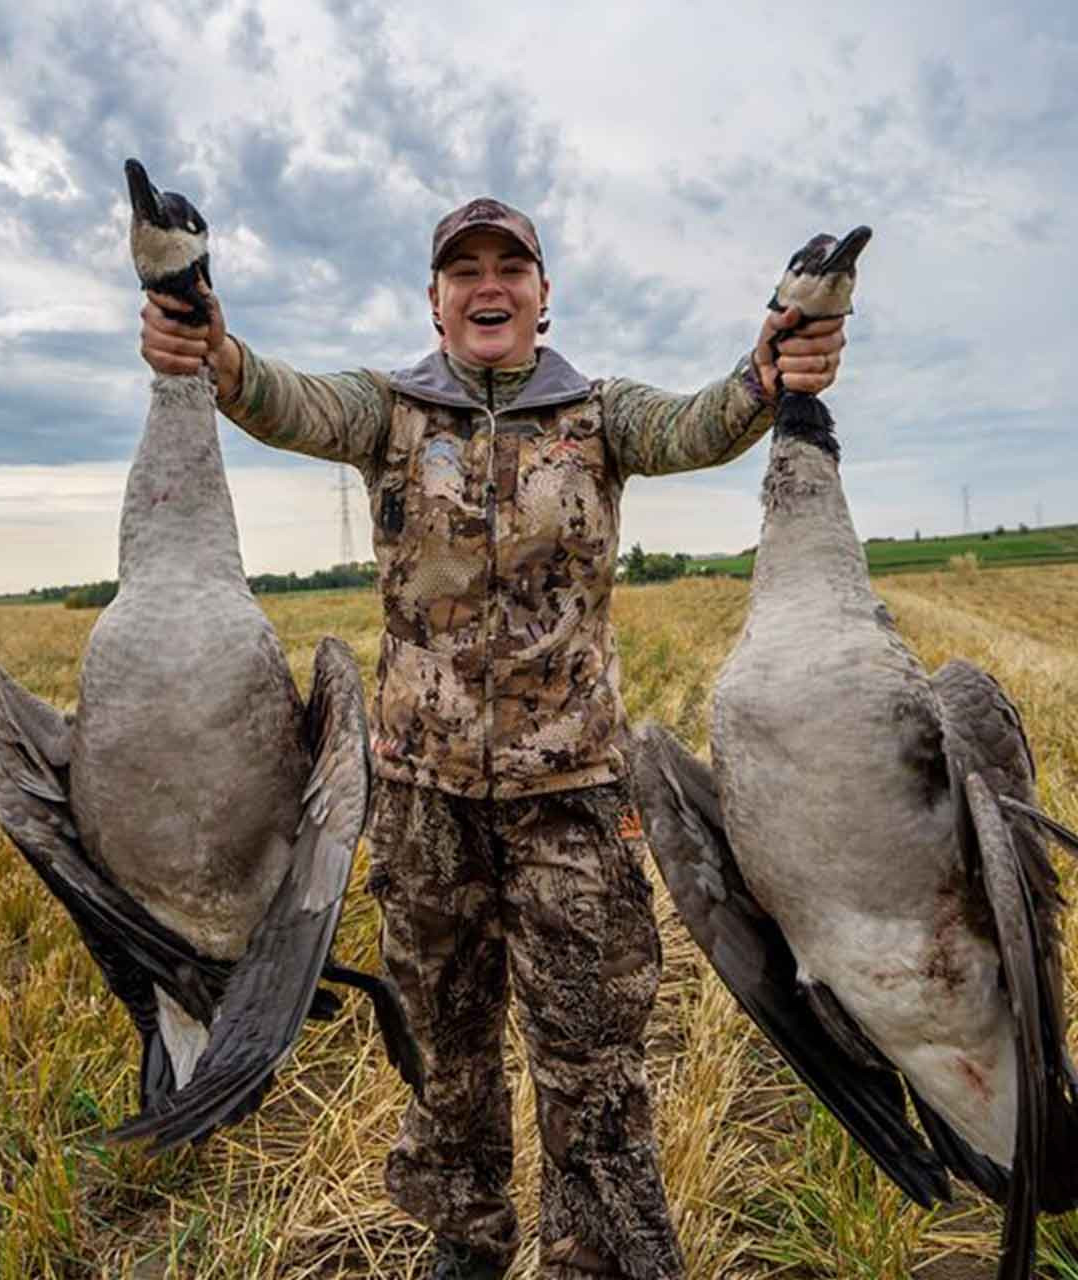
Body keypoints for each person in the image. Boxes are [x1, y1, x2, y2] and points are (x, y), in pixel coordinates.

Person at [138, 198, 847, 1280]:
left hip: (575, 796)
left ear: (541, 293)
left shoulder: (599, 417)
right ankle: (463, 1241)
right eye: (461, 268)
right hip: (422, 800)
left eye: (508, 265)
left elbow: (704, 420)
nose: (486, 284)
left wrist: (766, 374)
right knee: (442, 1048)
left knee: (590, 1052)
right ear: (434, 300)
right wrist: (212, 350)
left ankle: (599, 1257)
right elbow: (281, 398)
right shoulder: (387, 412)